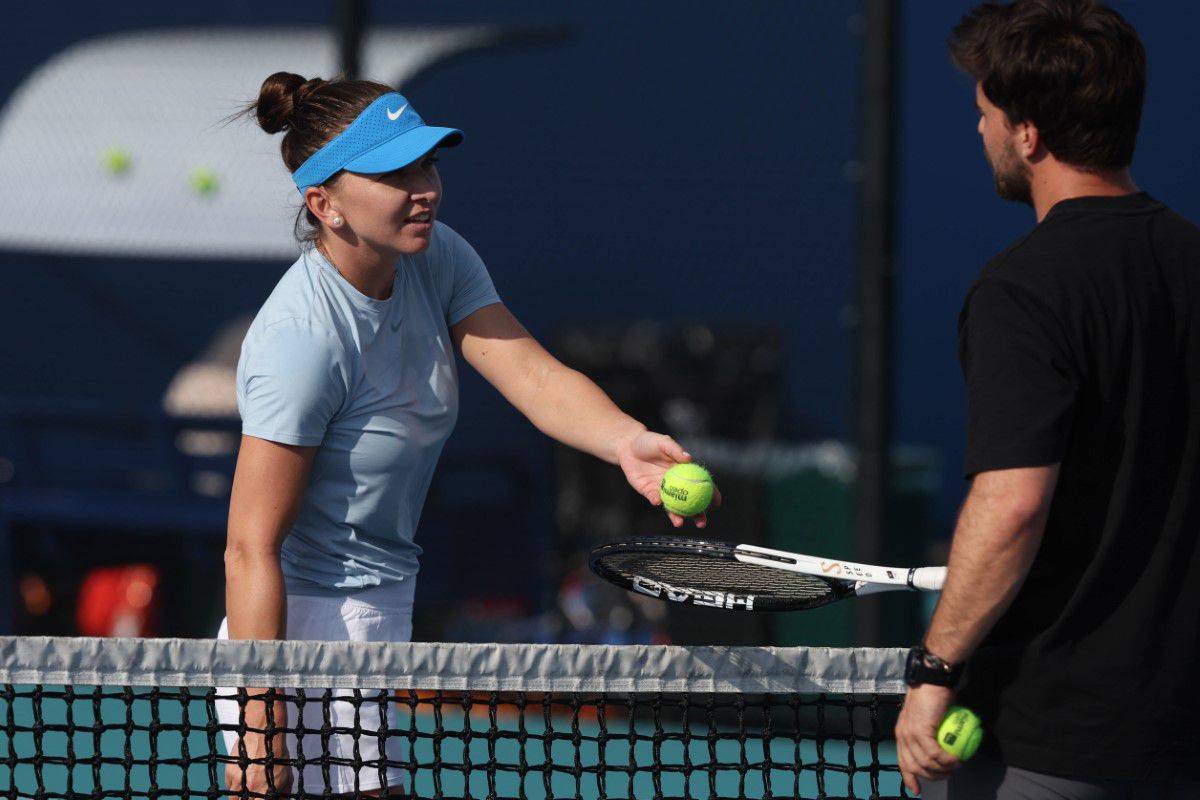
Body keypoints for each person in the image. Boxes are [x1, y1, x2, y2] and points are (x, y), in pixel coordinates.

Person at [217, 72, 717, 798]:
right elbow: (248, 547)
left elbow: (533, 376)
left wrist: (626, 441)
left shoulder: (437, 256)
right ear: (323, 203)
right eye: (394, 172)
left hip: (382, 600)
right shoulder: (302, 339)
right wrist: (264, 730)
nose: (424, 186)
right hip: (297, 622)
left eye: (428, 163)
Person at [894, 1, 1200, 797]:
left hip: (1052, 746)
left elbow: (1013, 506)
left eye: (985, 114)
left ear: (1029, 135)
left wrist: (933, 672)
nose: (980, 133)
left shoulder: (1021, 290)